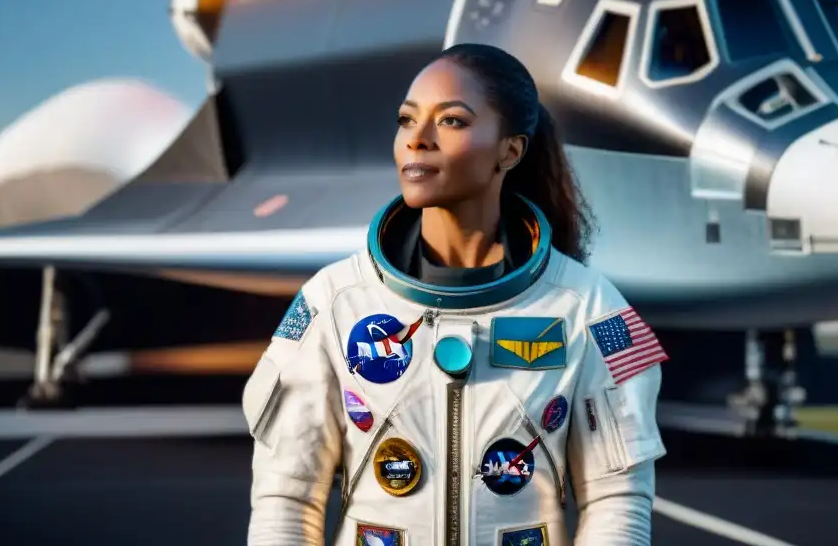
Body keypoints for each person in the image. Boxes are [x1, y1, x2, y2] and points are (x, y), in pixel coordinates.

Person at [243, 43, 668, 546]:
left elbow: (617, 503)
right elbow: (286, 502)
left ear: (510, 150)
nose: (417, 141)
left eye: (451, 121)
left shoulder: (589, 307)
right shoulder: (333, 302)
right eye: (406, 120)